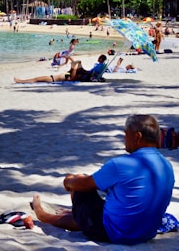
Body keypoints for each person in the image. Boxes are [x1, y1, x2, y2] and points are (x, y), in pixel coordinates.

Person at [31, 115, 174, 245]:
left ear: (137, 136)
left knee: (79, 184)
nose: (124, 139)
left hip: (115, 235)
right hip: (146, 234)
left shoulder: (121, 164)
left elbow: (83, 185)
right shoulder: (167, 166)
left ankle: (45, 217)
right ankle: (75, 215)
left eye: (126, 134)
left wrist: (69, 181)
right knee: (109, 191)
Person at [14, 55, 107, 84]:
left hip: (54, 79)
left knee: (36, 79)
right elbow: (71, 74)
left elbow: (72, 79)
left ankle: (21, 81)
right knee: (36, 79)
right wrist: (74, 67)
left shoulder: (79, 76)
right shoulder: (81, 74)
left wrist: (74, 69)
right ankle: (21, 81)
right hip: (58, 76)